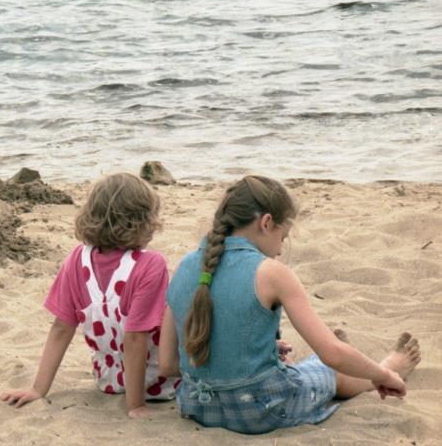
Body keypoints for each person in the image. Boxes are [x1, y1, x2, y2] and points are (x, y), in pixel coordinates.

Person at [159, 175, 421, 435]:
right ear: (266, 222)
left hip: (198, 407)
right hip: (261, 411)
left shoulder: (183, 267)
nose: (280, 250)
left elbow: (168, 364)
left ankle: (351, 363)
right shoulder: (271, 272)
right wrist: (385, 376)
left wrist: (248, 353)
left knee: (300, 363)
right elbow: (333, 355)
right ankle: (385, 368)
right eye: (283, 237)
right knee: (331, 367)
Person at [0, 173, 180, 417]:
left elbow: (61, 328)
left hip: (109, 379)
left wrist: (38, 389)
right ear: (141, 221)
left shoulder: (76, 259)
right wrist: (135, 405)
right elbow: (135, 338)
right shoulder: (150, 264)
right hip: (158, 383)